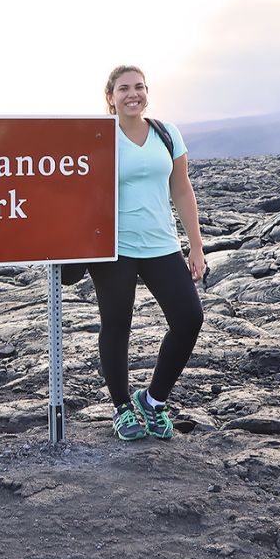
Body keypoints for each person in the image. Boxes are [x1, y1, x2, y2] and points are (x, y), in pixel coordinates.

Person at [89, 65, 205, 441]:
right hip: (115, 249)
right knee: (117, 325)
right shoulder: (99, 137)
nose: (132, 94)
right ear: (111, 97)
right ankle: (122, 407)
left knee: (189, 319)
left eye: (139, 87)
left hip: (162, 246)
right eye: (124, 89)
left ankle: (153, 401)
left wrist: (196, 246)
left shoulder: (167, 133)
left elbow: (182, 189)